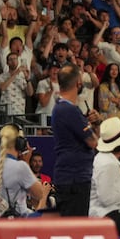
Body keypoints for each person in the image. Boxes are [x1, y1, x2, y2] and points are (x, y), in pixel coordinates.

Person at [52, 64, 100, 217]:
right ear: (78, 82)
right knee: (75, 229)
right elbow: (93, 142)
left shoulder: (63, 108)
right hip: (74, 179)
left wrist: (94, 124)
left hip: (72, 178)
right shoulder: (69, 110)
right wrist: (93, 126)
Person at [0, 125, 49, 217]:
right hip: (19, 221)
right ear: (20, 143)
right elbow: (39, 194)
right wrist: (26, 161)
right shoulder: (20, 166)